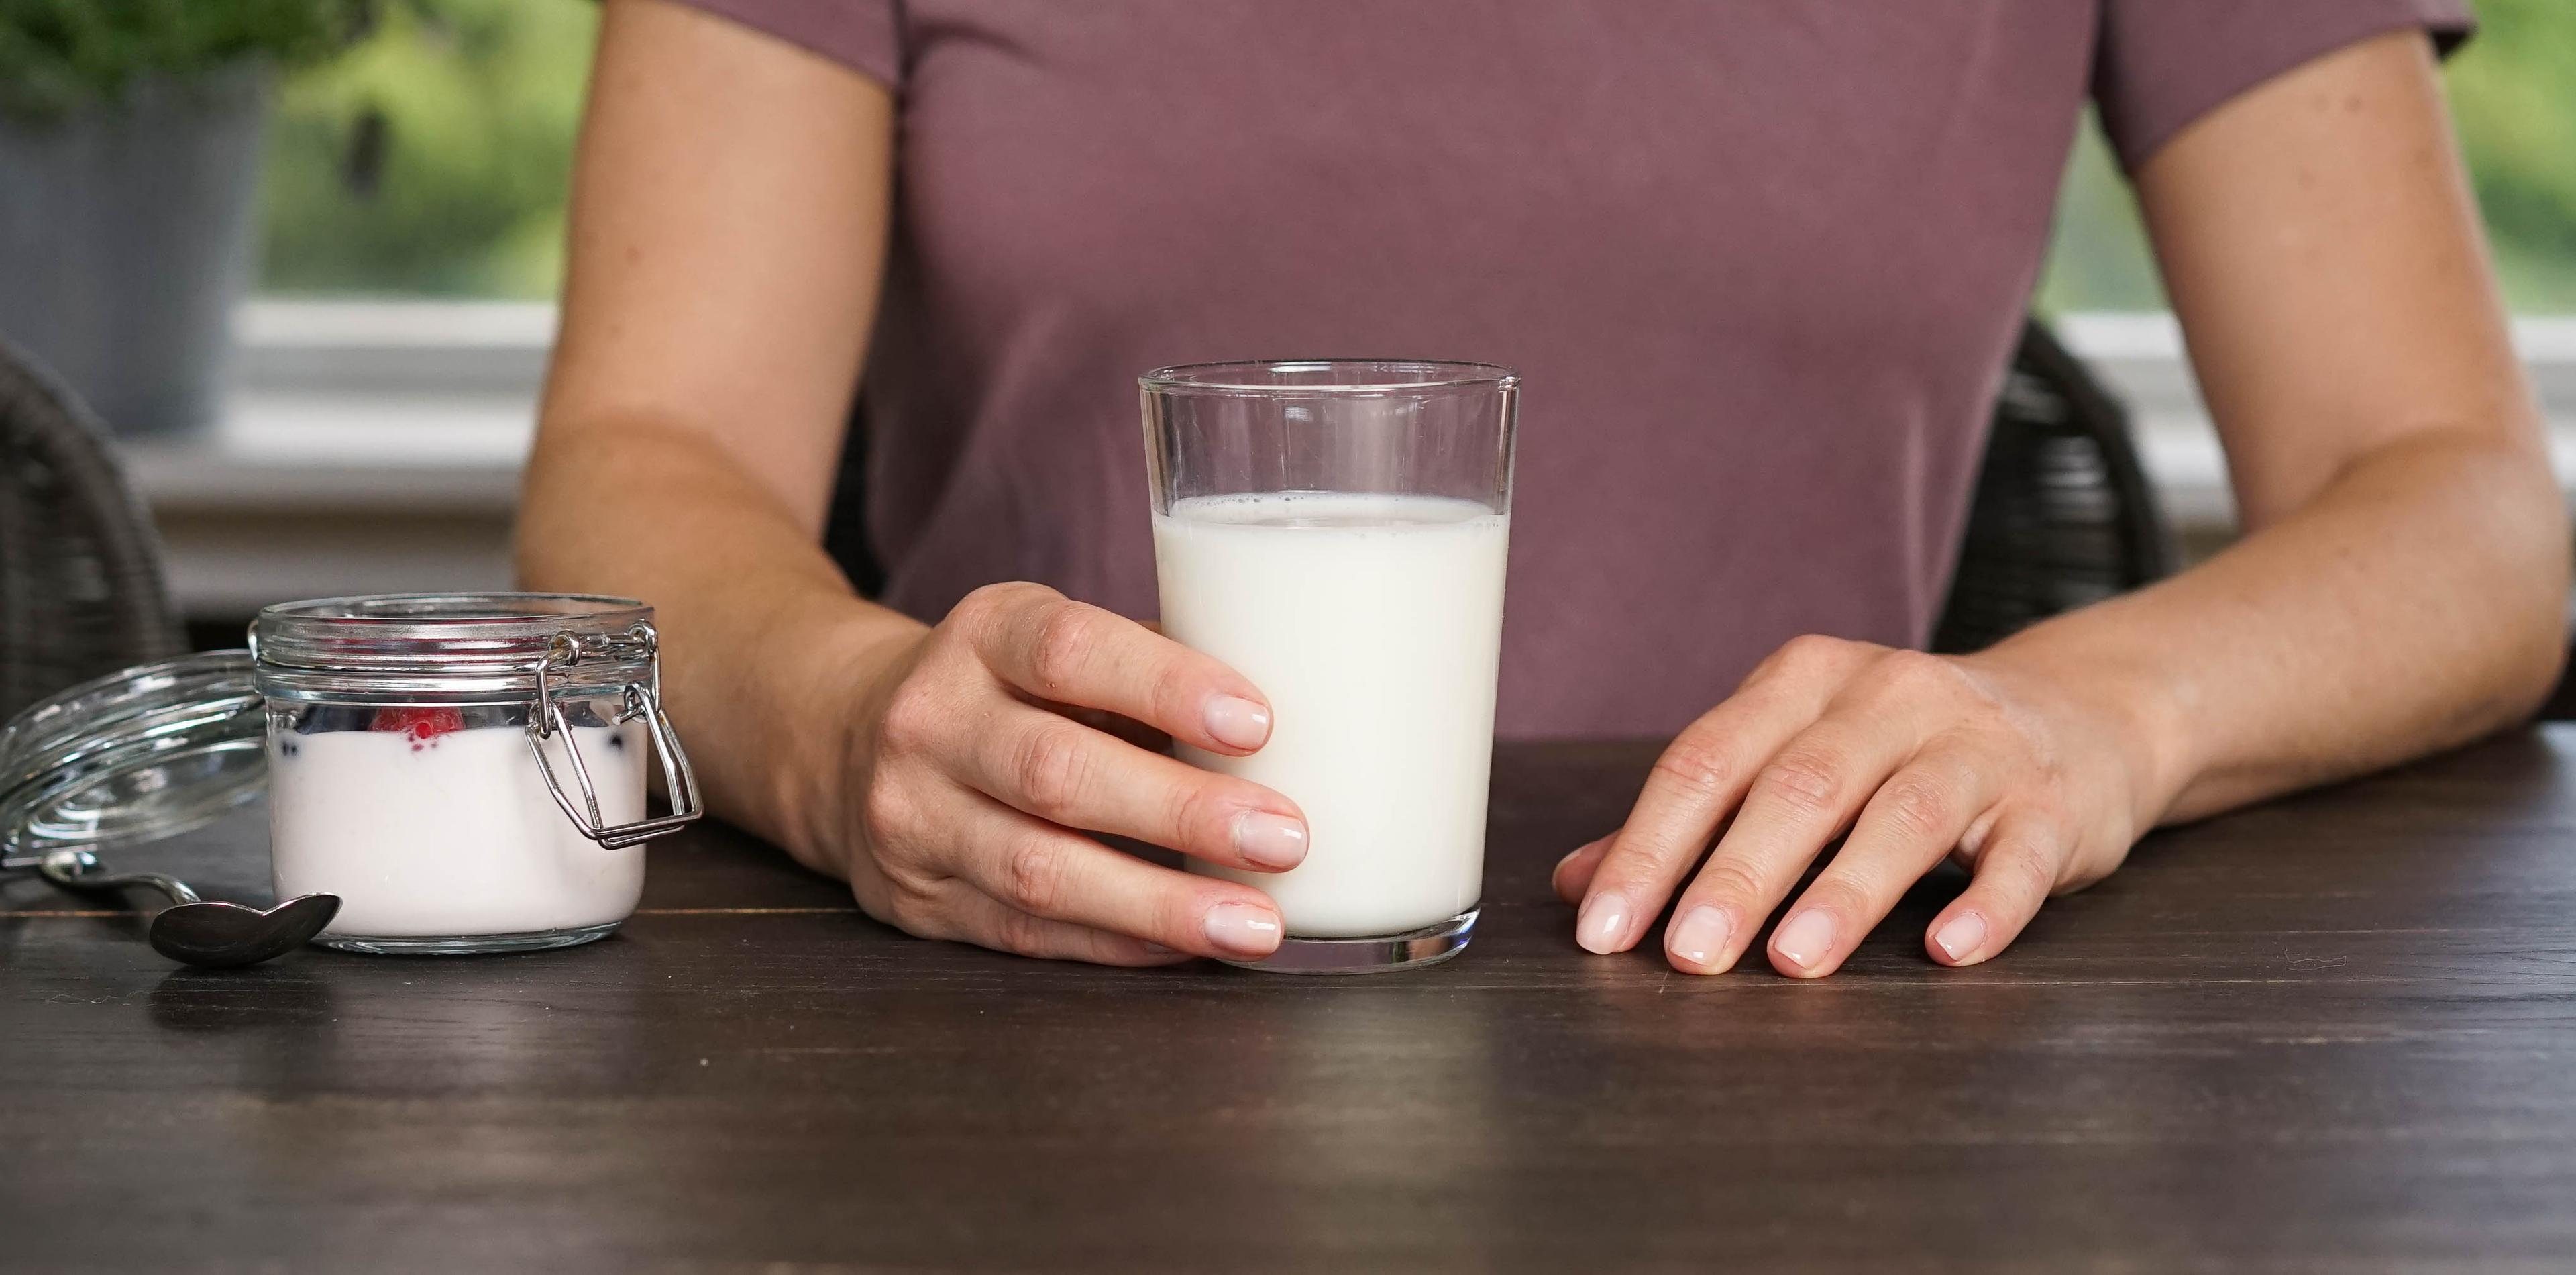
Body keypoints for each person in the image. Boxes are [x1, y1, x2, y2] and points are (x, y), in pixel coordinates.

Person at [519, 1, 2568, 976]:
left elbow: (2464, 502)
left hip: (1784, 1027)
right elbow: (644, 460)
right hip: (1026, 1007)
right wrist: (846, 725)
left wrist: (2090, 710)